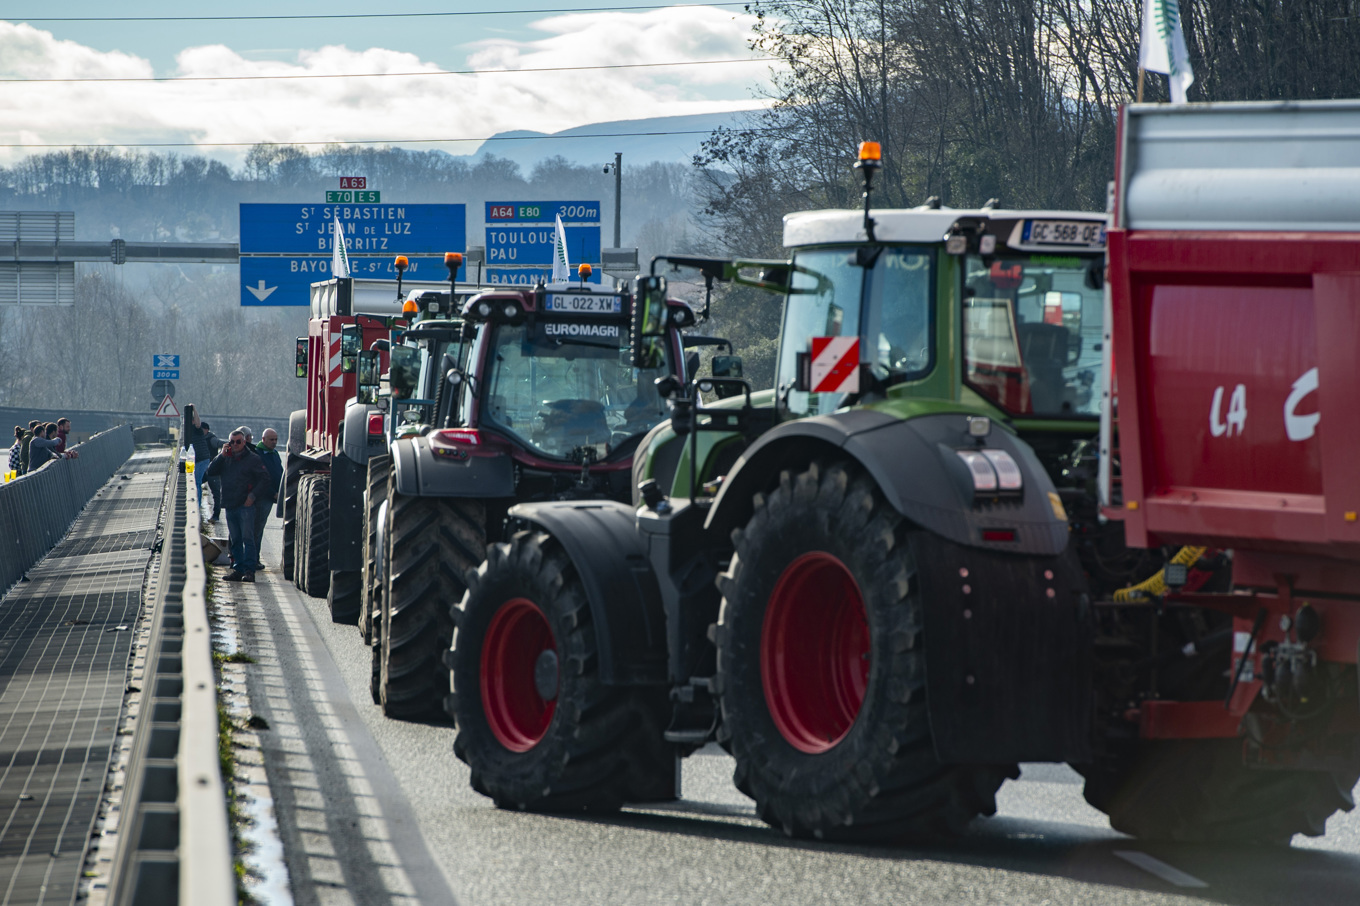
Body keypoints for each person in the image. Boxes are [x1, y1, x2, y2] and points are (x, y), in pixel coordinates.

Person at [203, 429, 269, 583]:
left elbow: (265, 479)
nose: (235, 445)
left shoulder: (253, 459)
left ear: (244, 442)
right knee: (235, 540)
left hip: (246, 506)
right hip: (230, 505)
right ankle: (238, 569)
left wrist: (252, 497)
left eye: (238, 442)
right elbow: (210, 471)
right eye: (232, 442)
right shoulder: (226, 458)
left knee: (248, 539)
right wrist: (221, 456)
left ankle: (249, 571)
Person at [252, 428, 283, 567]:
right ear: (263, 439)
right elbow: (260, 479)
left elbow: (279, 473)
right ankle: (253, 559)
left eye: (276, 439)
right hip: (262, 497)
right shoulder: (258, 454)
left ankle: (254, 558)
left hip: (271, 497)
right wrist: (273, 493)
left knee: (260, 528)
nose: (274, 442)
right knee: (256, 529)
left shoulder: (274, 454)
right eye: (271, 439)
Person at [182, 405, 212, 507]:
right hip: (192, 459)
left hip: (202, 459)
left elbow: (198, 423)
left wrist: (194, 408)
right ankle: (194, 501)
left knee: (197, 481)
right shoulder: (186, 431)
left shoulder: (197, 429)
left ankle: (197, 505)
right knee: (192, 479)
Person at [201, 421, 225, 522]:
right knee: (195, 485)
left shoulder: (212, 439)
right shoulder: (200, 439)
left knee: (216, 494)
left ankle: (216, 516)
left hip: (213, 470)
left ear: (206, 429)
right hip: (203, 469)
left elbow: (221, 444)